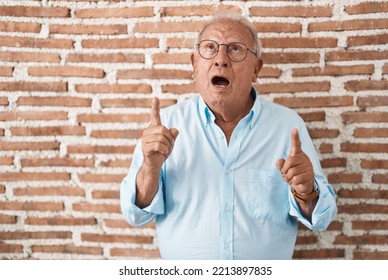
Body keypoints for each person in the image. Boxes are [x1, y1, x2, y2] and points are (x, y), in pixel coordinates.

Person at [120, 13, 337, 260]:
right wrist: (150, 168)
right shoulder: (165, 126)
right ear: (194, 65)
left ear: (256, 69)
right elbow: (135, 216)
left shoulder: (288, 126)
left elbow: (322, 219)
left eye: (235, 49)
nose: (220, 60)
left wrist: (306, 190)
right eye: (210, 48)